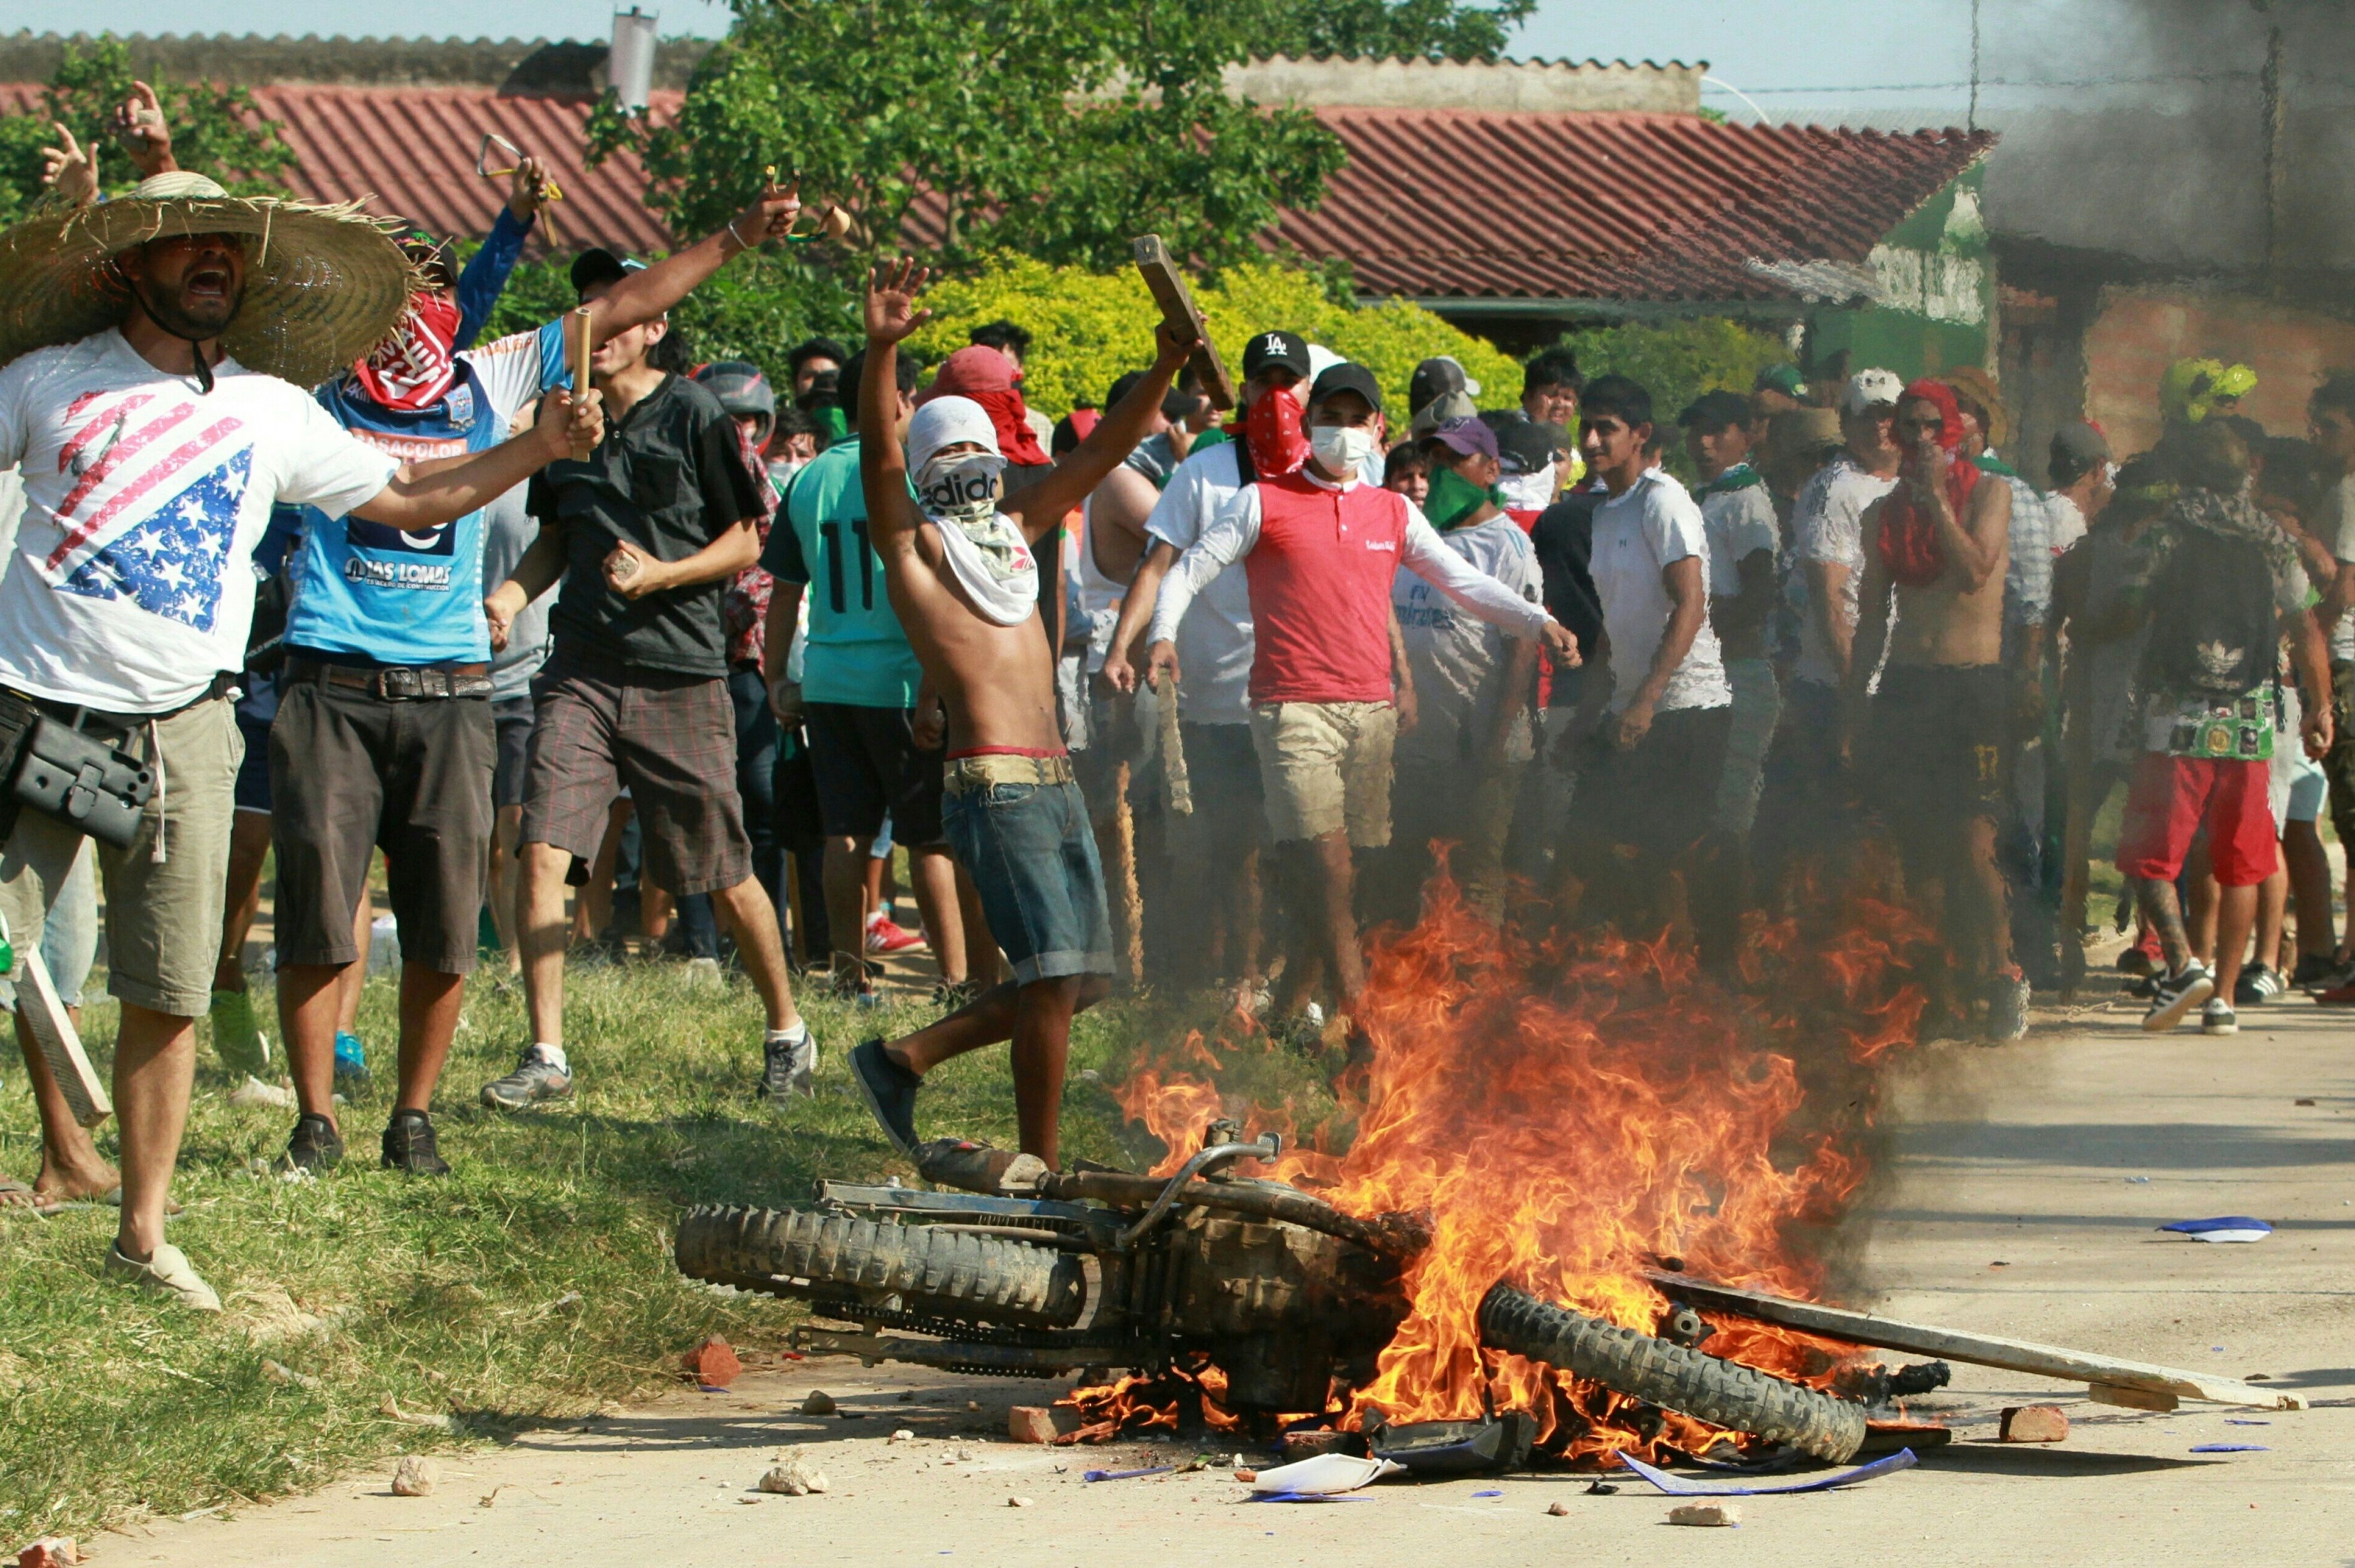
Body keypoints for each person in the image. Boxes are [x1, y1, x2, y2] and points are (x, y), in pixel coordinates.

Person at [0, 170, 601, 1307]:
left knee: (168, 991)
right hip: (31, 710)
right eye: (186, 246)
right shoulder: (45, 384)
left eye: (228, 244)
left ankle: (142, 1233)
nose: (213, 259)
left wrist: (538, 446)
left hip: (191, 725)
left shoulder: (273, 408)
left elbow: (417, 498)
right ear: (131, 264)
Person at [271, 180, 679, 1176]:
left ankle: (413, 1119)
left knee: (447, 922)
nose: (415, 314)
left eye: (433, 292)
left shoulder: (484, 381)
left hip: (451, 687)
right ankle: (315, 1121)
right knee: (320, 917)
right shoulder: (320, 382)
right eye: (392, 295)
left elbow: (613, 310)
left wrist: (736, 239)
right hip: (332, 677)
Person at [844, 261, 1199, 1171]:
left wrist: (1164, 368)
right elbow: (879, 459)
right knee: (1047, 982)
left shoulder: (1018, 529)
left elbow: (1102, 453)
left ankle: (902, 1059)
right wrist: (883, 348)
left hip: (1055, 777)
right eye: (946, 455)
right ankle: (1038, 1170)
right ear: (925, 473)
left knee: (1084, 980)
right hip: (994, 784)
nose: (966, 466)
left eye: (976, 452)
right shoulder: (915, 548)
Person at [481, 194, 817, 1114]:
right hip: (580, 667)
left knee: (720, 867)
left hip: (681, 672)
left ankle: (788, 1030)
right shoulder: (565, 422)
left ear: (654, 323)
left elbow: (753, 538)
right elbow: (558, 535)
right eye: (594, 310)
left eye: (623, 308)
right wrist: (511, 595)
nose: (607, 326)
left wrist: (667, 574)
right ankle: (546, 1053)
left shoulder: (697, 415)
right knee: (543, 844)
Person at [1144, 363, 1577, 1016]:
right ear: (1308, 423)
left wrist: (1538, 621)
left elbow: (1465, 581)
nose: (1342, 432)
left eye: (1355, 420)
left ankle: (1288, 1007)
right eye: (1330, 418)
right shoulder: (1262, 500)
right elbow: (1188, 570)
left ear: (1378, 429)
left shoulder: (1394, 510)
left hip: (1371, 713)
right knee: (1332, 867)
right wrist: (1163, 633)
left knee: (1352, 873)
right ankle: (1362, 1023)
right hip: (1292, 708)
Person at [1100, 330, 1316, 1001]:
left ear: (1307, 392)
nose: (1277, 394)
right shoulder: (1205, 472)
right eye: (1265, 382)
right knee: (1233, 848)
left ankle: (1296, 983)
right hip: (1219, 694)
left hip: (1309, 694)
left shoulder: (1338, 471)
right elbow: (1156, 567)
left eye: (1290, 382)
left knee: (1308, 850)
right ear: (1244, 391)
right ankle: (1233, 981)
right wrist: (1120, 648)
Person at [760, 346, 972, 1006]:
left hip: (828, 680)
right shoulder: (909, 473)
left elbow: (785, 594)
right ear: (901, 399)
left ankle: (849, 974)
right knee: (928, 840)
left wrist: (775, 679)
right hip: (905, 683)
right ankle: (957, 980)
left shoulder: (810, 475)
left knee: (843, 833)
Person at [2109, 421, 2328, 1034]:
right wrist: (2320, 705)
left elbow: (2128, 611)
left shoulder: (2165, 536)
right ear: (2246, 476)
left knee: (2151, 856)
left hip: (2175, 719)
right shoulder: (2273, 543)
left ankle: (2181, 964)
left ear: (2184, 474)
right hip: (2253, 720)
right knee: (2242, 862)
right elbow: (2307, 625)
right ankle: (2224, 1000)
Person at [1846, 379, 2024, 1039]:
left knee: (1973, 843)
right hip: (1908, 686)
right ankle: (1938, 985)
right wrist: (1853, 707)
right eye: (1908, 427)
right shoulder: (1882, 514)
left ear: (1952, 430)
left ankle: (2003, 973)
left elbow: (1976, 569)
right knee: (1915, 846)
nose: (1919, 439)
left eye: (1930, 427)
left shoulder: (1990, 492)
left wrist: (1936, 500)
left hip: (1973, 687)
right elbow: (1870, 619)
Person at [1565, 375, 1735, 950]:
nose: (1590, 440)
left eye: (1605, 429)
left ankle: (1698, 976)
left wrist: (1647, 699)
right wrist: (1590, 713)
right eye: (1586, 426)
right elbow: (1613, 630)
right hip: (1629, 705)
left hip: (1686, 709)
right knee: (1590, 843)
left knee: (1671, 855)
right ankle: (1652, 965)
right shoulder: (1607, 510)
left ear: (1640, 435)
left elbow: (1690, 602)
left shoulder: (1664, 501)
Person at [1375, 418, 1543, 924]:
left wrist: (1497, 738)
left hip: (1479, 745)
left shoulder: (1507, 546)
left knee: (1475, 877)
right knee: (1398, 869)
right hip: (1415, 743)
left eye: (1455, 460)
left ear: (1491, 469)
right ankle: (1399, 992)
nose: (1441, 471)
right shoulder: (1415, 535)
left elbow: (1522, 649)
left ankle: (1476, 993)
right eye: (1435, 460)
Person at [1754, 370, 1903, 887]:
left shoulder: (1912, 484)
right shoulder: (1834, 488)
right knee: (1834, 834)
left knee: (1890, 832)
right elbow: (1831, 600)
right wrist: (1854, 695)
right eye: (1867, 416)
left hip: (1900, 684)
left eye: (1888, 414)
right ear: (1846, 423)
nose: (1880, 427)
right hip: (1836, 689)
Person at [1681, 390, 1783, 847]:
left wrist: (1695, 625)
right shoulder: (1710, 498)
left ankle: (1731, 915)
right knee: (1702, 809)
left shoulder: (1746, 501)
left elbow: (1759, 594)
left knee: (1728, 818)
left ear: (1746, 436)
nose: (1703, 442)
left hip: (1738, 672)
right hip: (1707, 674)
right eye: (1696, 430)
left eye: (1716, 430)